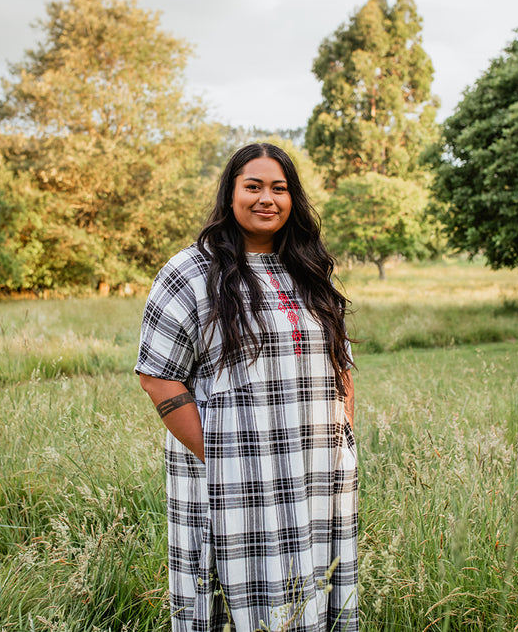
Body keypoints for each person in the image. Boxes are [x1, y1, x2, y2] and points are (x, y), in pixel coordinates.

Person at [135, 142, 358, 631]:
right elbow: (157, 375)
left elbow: (339, 363)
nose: (267, 198)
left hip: (315, 473)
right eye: (252, 186)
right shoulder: (190, 272)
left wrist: (340, 442)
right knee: (232, 595)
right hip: (230, 473)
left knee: (314, 586)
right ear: (230, 194)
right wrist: (217, 457)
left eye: (279, 188)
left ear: (292, 198)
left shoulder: (310, 269)